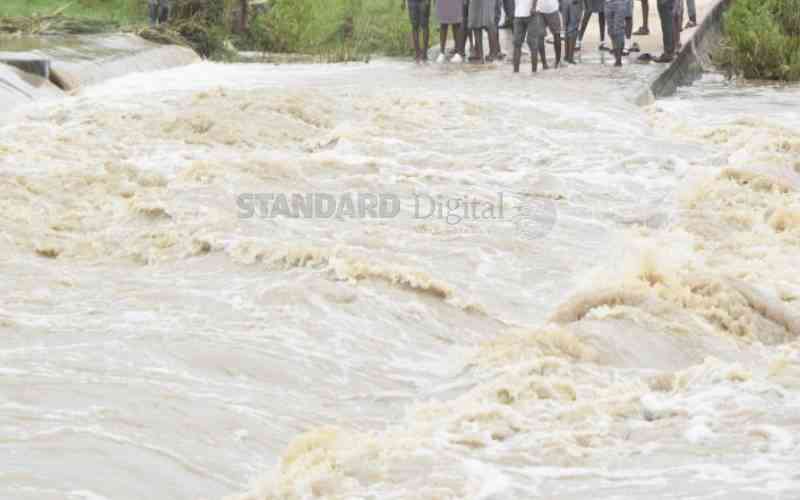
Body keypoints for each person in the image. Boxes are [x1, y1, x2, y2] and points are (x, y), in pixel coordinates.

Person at [512, 0, 539, 72]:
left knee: (517, 44)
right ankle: (534, 73)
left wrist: (533, 7)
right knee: (533, 44)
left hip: (519, 14)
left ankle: (516, 72)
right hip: (529, 14)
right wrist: (533, 7)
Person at [537, 0, 562, 68]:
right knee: (556, 34)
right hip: (552, 8)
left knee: (540, 36)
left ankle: (544, 64)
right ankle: (557, 62)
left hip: (539, 8)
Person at [604, 0, 625, 66]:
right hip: (607, 3)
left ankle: (618, 59)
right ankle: (618, 58)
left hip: (619, 3)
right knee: (611, 31)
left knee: (618, 30)